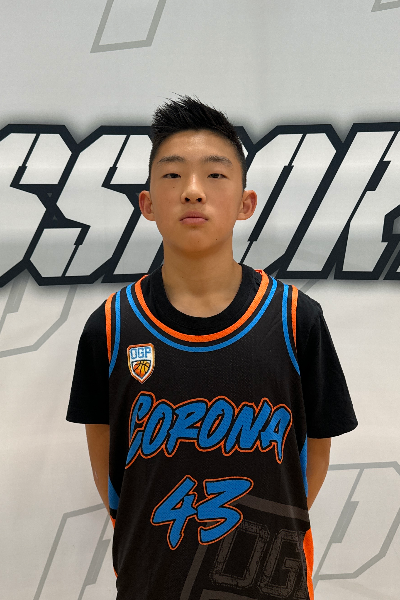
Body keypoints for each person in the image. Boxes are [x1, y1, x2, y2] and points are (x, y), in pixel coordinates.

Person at [66, 96, 357, 600]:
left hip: (273, 585)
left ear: (246, 203)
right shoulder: (110, 328)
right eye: (173, 175)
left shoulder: (296, 319)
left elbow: (314, 455)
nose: (193, 191)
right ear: (147, 203)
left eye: (216, 175)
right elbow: (111, 476)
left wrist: (273, 525)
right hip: (151, 582)